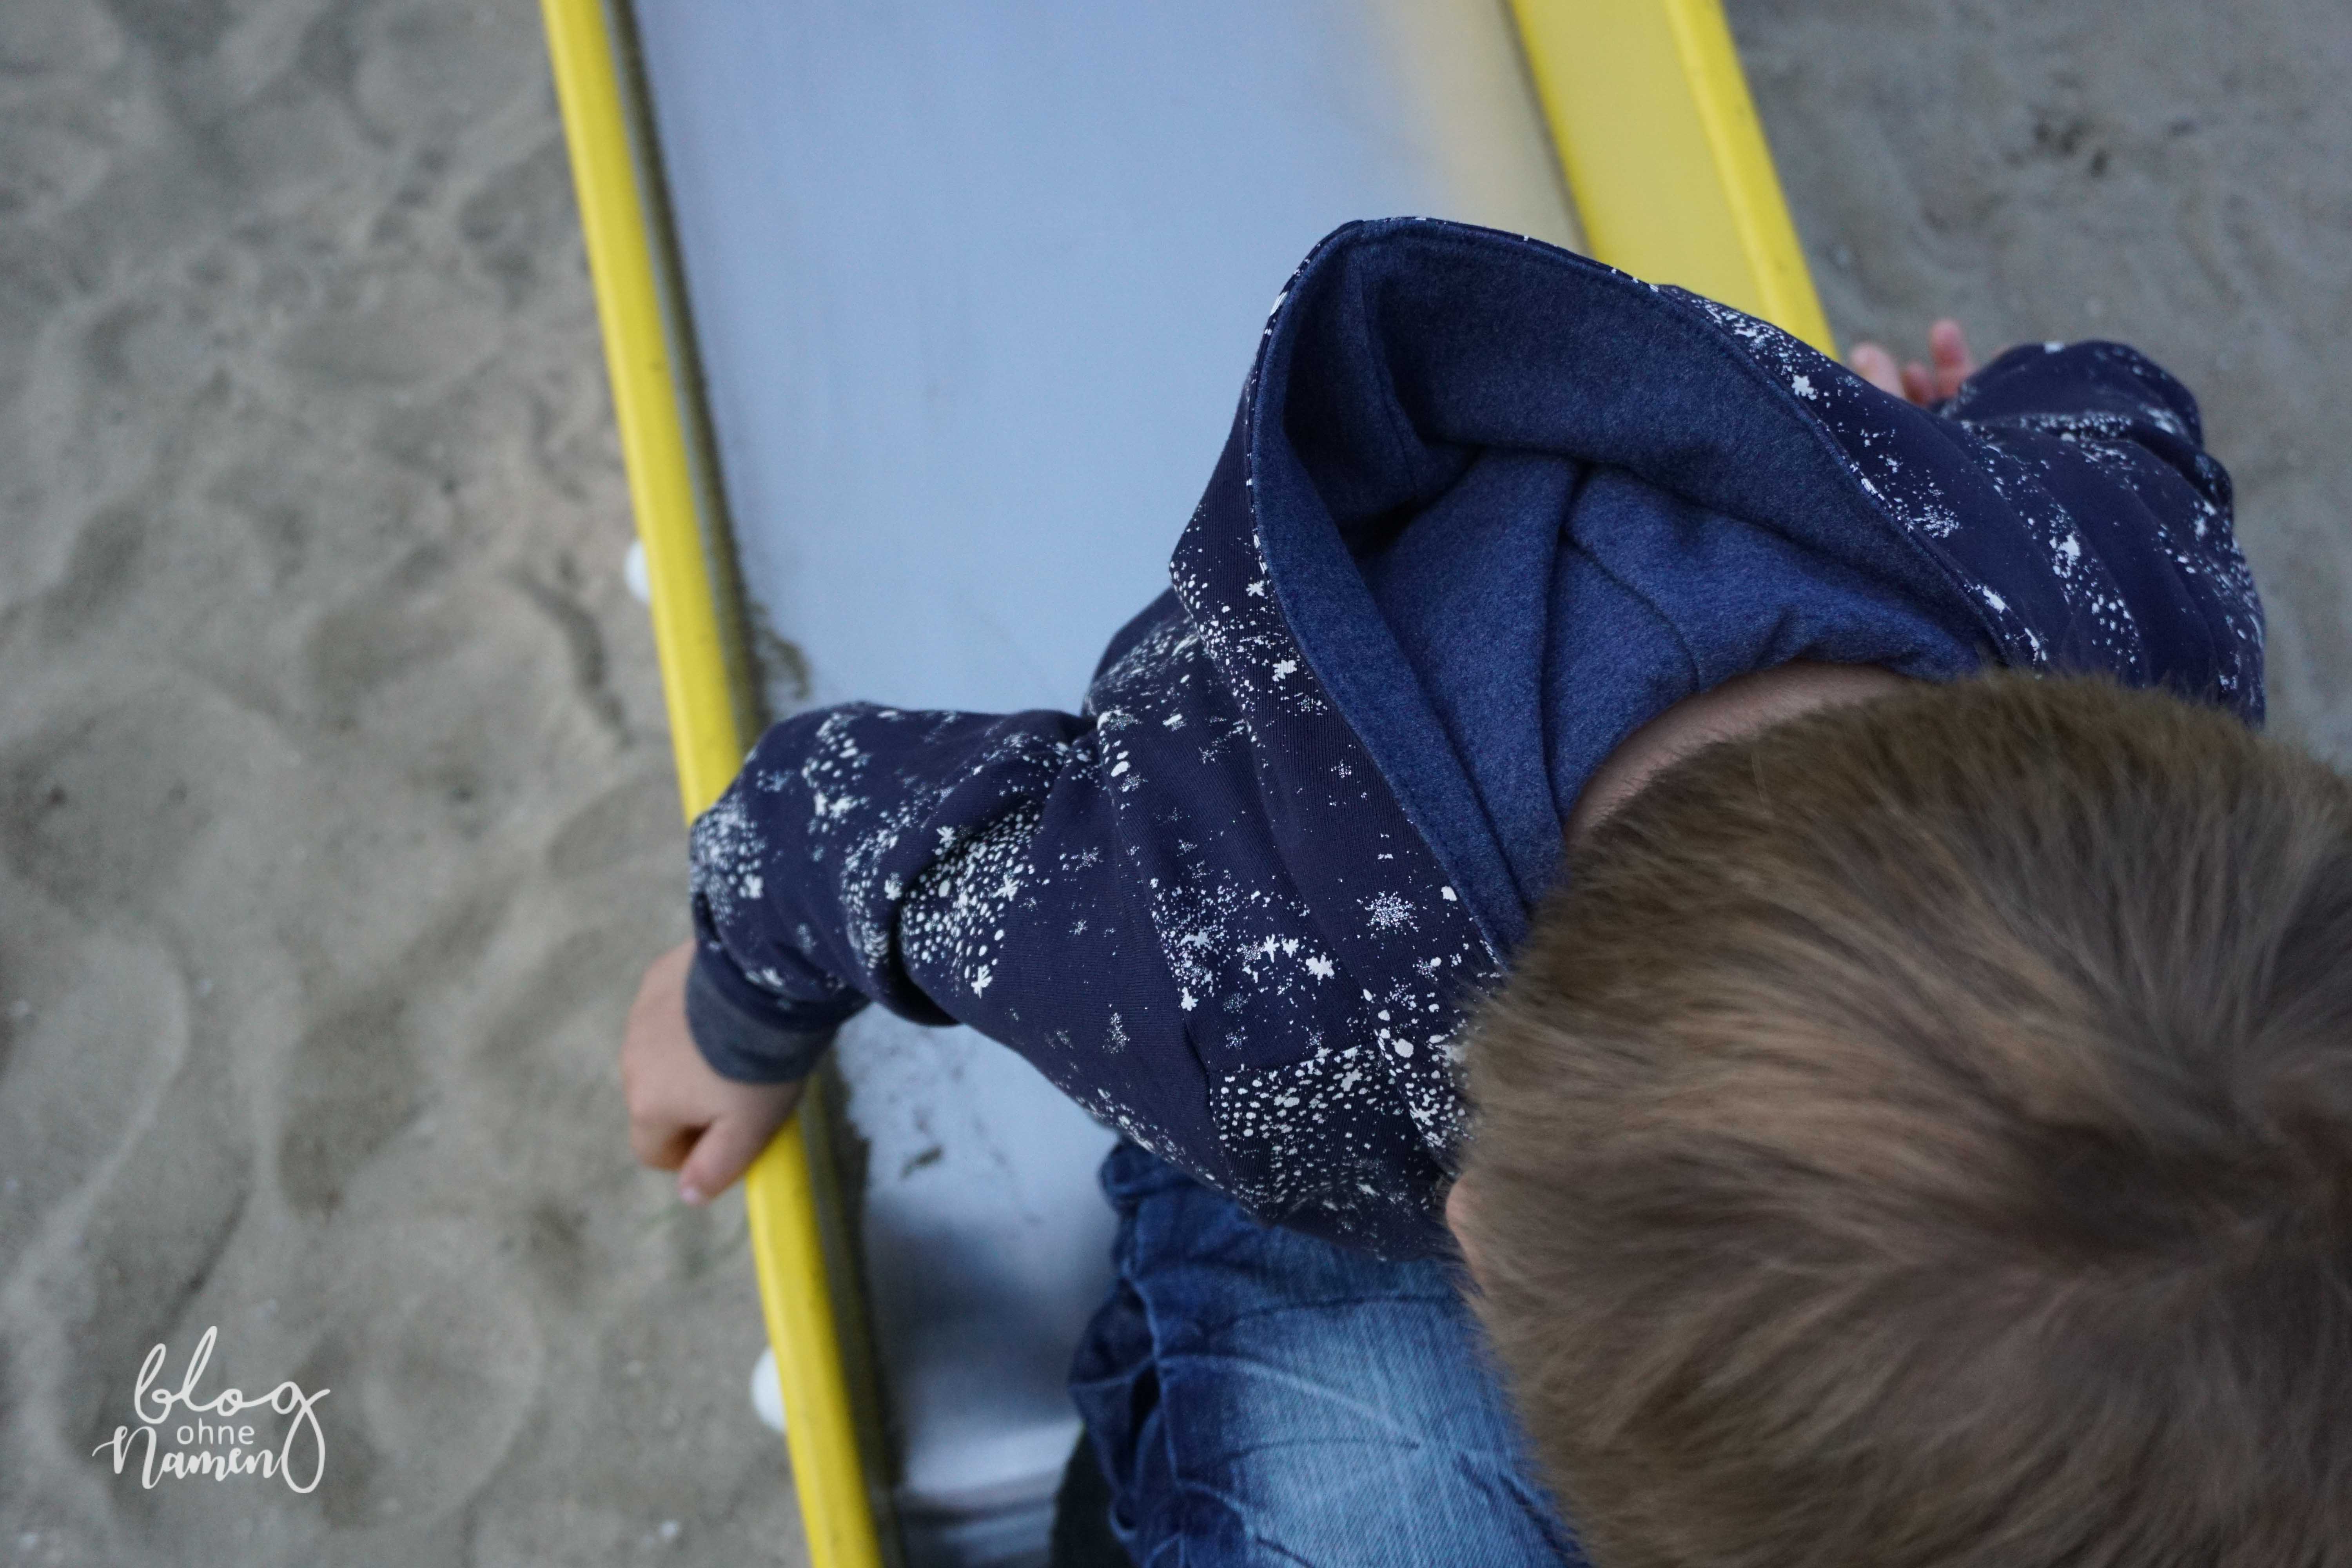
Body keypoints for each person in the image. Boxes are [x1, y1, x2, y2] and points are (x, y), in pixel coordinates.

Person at [621, 218, 2339, 1564]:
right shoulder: (1246, 984)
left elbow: (2122, 410)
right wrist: (732, 1011)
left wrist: (1955, 441)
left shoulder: (2122, 589)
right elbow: (861, 820)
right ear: (1478, 1233)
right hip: (1335, 939)